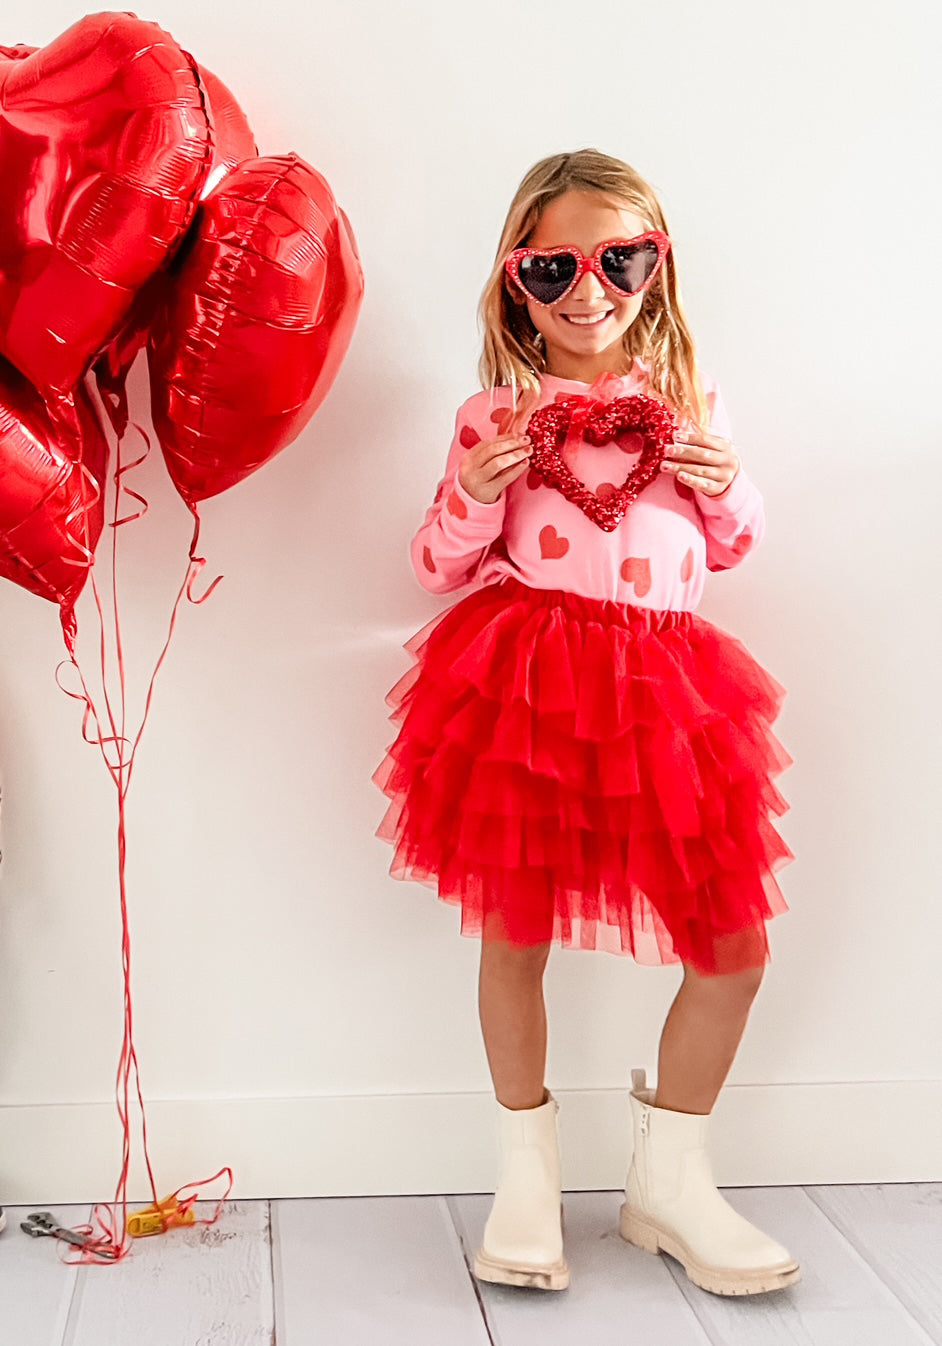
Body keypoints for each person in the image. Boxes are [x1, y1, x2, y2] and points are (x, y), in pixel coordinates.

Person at [373, 148, 798, 1298]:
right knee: (516, 934)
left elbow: (733, 545)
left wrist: (727, 482)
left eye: (621, 258)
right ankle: (526, 1175)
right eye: (554, 263)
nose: (588, 287)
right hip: (526, 690)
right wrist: (473, 491)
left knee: (732, 949)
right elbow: (432, 566)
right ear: (517, 277)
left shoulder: (687, 405)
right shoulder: (491, 414)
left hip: (672, 698)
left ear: (657, 268)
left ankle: (672, 1179)